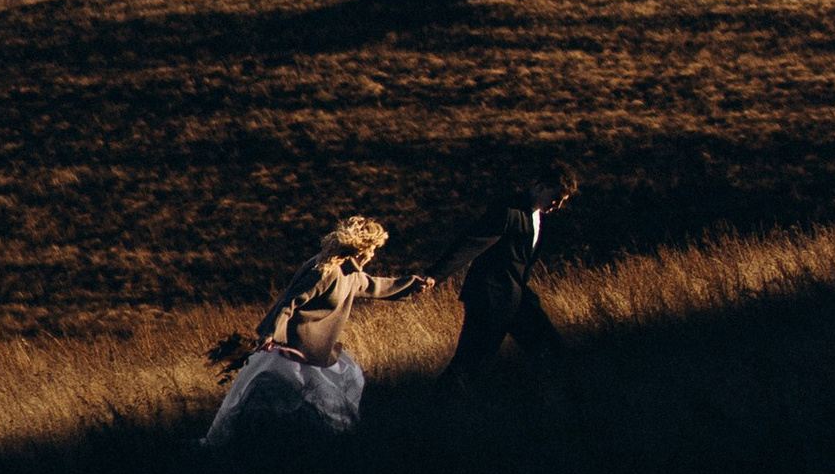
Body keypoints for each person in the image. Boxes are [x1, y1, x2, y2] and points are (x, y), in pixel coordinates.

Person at [201, 215, 432, 448]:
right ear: (361, 246)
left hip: (318, 353)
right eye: (373, 248)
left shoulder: (352, 275)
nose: (373, 254)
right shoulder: (325, 271)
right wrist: (270, 336)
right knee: (293, 403)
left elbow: (378, 286)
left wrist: (412, 283)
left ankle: (310, 445)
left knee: (345, 385)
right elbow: (289, 302)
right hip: (294, 351)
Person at [430, 159, 579, 386]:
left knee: (551, 350)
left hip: (517, 299)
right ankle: (435, 409)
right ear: (539, 186)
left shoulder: (538, 216)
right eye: (555, 198)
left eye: (562, 201)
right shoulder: (508, 210)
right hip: (489, 300)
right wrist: (434, 275)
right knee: (469, 364)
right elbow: (471, 242)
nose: (557, 206)